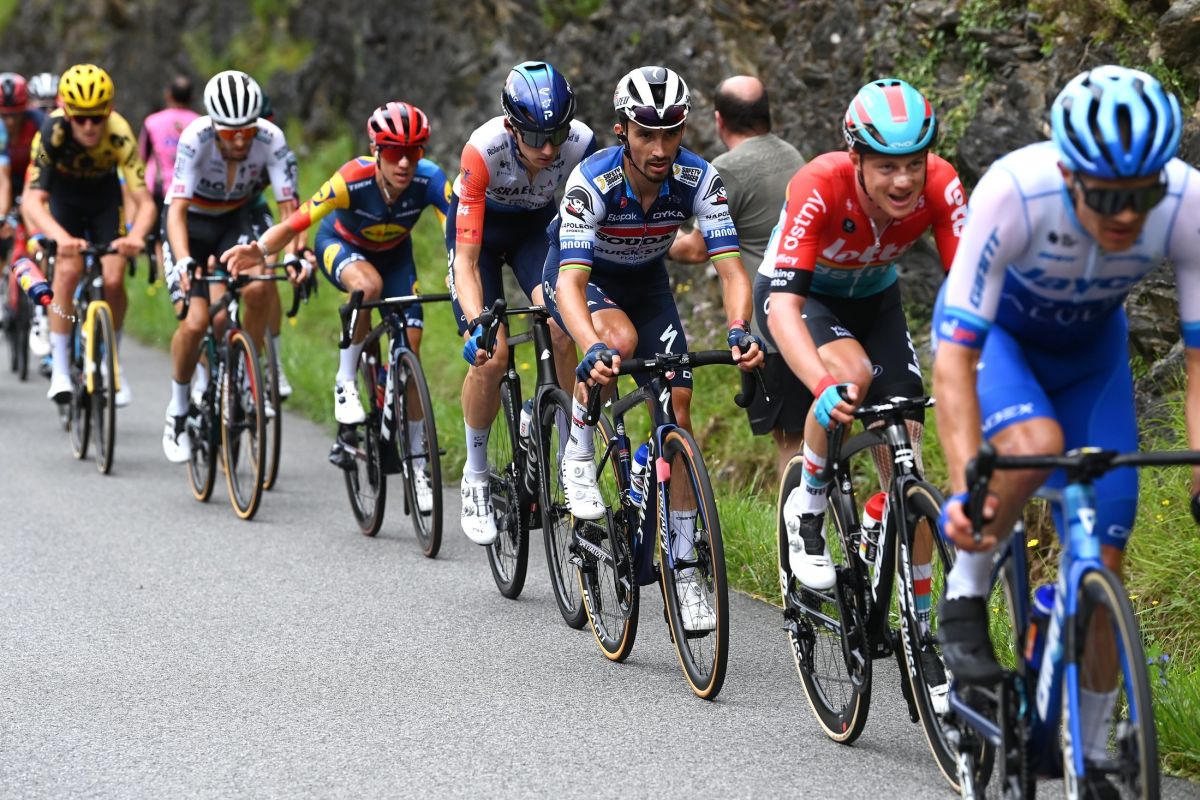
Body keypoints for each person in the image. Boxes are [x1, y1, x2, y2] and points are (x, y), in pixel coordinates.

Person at [933, 66, 1200, 793]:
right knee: (1033, 445)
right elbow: (954, 361)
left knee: (1107, 555)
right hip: (998, 345)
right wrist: (966, 486)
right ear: (1068, 174)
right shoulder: (1015, 191)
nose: (1127, 215)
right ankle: (967, 588)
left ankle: (1094, 748)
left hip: (1091, 358)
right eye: (1108, 197)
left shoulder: (1186, 203)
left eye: (1142, 195)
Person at [546, 65, 763, 631]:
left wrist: (739, 328)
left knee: (678, 409)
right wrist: (589, 345)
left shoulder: (700, 179)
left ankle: (685, 568)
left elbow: (731, 270)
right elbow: (569, 285)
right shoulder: (592, 182)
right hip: (581, 278)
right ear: (623, 130)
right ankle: (578, 452)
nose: (660, 148)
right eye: (647, 134)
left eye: (671, 133)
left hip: (646, 283)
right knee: (615, 342)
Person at [759, 78, 965, 596]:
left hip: (875, 300)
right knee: (849, 377)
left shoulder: (942, 184)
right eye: (887, 167)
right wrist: (821, 384)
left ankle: (920, 623)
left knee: (908, 462)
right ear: (856, 158)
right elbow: (783, 310)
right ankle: (808, 509)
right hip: (801, 296)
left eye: (914, 164)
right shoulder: (819, 183)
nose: (904, 181)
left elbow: (969, 291)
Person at [222, 101, 450, 511]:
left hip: (396, 256)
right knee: (367, 285)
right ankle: (345, 382)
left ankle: (419, 465)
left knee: (411, 350)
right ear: (376, 150)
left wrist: (459, 271)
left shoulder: (430, 178)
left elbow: (457, 232)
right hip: (340, 245)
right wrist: (259, 251)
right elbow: (297, 221)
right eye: (394, 152)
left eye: (413, 152)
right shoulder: (351, 179)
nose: (404, 162)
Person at [450, 61, 597, 545]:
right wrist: (477, 322)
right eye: (535, 137)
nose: (549, 149)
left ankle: (560, 440)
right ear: (511, 126)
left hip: (536, 232)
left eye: (556, 134)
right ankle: (475, 476)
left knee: (564, 325)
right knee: (492, 355)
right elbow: (466, 261)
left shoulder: (582, 143)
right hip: (481, 239)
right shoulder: (483, 149)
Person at [668, 75, 805, 478]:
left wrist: (652, 235)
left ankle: (799, 517)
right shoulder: (791, 154)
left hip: (768, 327)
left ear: (719, 120)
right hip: (809, 310)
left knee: (790, 442)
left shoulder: (726, 170)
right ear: (767, 114)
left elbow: (696, 249)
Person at [159, 70, 299, 463]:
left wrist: (294, 256)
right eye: (230, 132)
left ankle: (246, 374)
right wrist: (184, 260)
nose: (240, 139)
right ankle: (178, 409)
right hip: (193, 223)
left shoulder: (271, 138)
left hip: (239, 218)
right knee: (196, 322)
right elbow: (176, 211)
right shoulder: (195, 138)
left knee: (259, 284)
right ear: (214, 125)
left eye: (247, 130)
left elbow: (289, 211)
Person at [23, 63, 156, 407]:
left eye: (97, 117)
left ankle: (112, 362)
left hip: (103, 200)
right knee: (67, 271)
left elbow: (145, 202)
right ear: (66, 113)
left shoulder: (120, 133)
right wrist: (59, 237)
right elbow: (34, 200)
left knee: (113, 279)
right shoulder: (49, 134)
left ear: (108, 112)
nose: (89, 126)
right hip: (63, 199)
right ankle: (60, 370)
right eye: (80, 118)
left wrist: (136, 237)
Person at [139, 76, 199, 240]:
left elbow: (143, 155)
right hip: (190, 189)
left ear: (168, 95)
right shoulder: (199, 123)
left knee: (158, 237)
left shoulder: (152, 122)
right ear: (191, 97)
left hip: (159, 188)